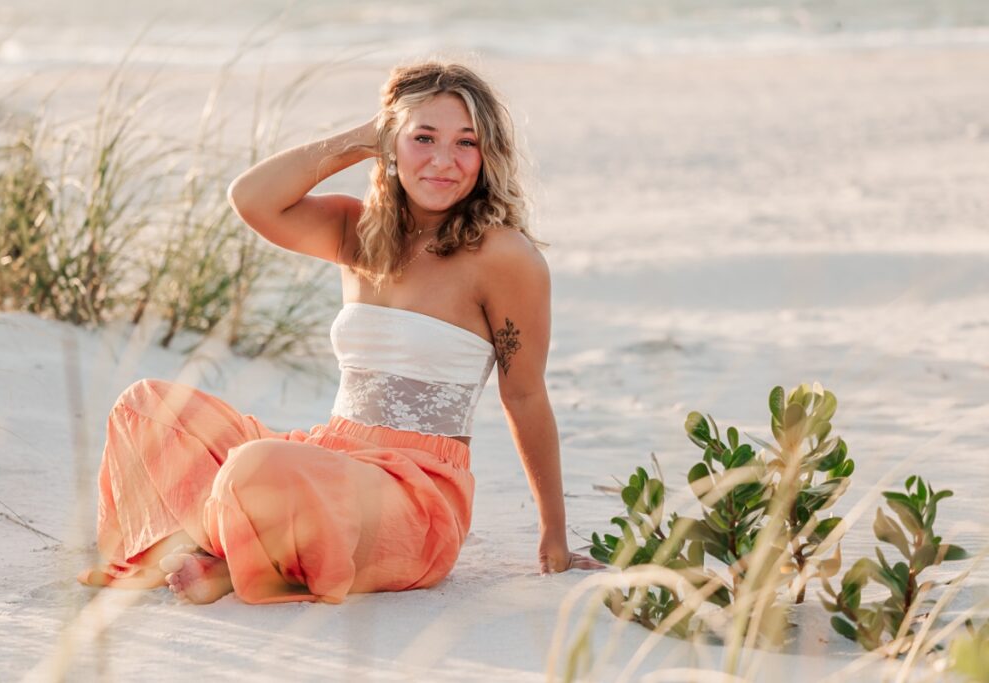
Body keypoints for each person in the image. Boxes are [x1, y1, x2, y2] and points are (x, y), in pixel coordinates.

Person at [77, 61, 605, 605]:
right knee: (144, 408)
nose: (444, 161)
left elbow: (524, 395)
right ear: (390, 143)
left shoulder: (504, 257)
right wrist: (359, 140)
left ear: (486, 155)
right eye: (422, 137)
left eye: (465, 143)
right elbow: (251, 197)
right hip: (325, 456)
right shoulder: (358, 233)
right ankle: (233, 551)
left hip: (413, 496)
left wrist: (554, 535)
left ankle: (218, 549)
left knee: (256, 467)